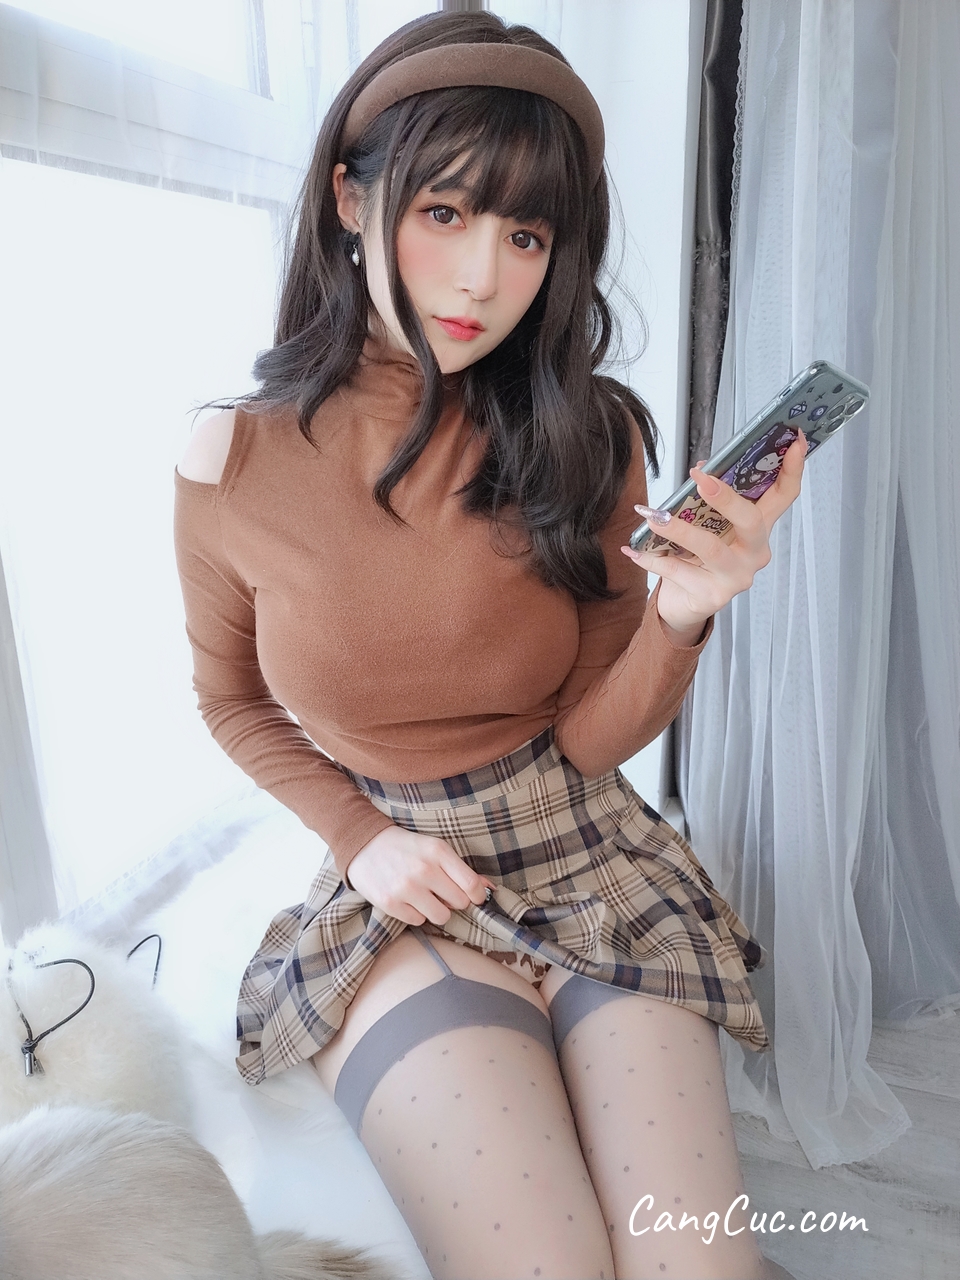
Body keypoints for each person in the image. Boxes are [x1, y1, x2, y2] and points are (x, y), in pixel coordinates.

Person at [174, 12, 804, 1280]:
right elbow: (231, 696)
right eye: (446, 212)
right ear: (350, 201)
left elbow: (589, 738)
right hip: (405, 891)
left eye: (527, 236)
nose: (481, 279)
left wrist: (683, 614)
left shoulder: (590, 435)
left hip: (591, 856)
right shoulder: (234, 457)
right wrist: (362, 838)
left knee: (694, 1265)